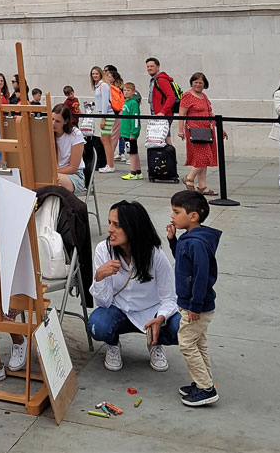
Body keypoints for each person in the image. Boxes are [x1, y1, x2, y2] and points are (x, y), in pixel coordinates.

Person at [88, 199, 180, 373]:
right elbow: (103, 304)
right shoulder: (103, 249)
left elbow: (169, 297)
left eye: (117, 225)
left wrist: (161, 317)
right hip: (119, 311)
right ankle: (113, 344)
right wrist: (99, 277)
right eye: (109, 223)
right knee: (97, 325)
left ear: (132, 228)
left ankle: (155, 342)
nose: (109, 230)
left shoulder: (155, 255)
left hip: (150, 312)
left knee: (180, 328)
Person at [167, 190, 222, 406]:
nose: (172, 216)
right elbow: (183, 262)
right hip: (192, 303)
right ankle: (202, 382)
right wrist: (172, 241)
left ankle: (206, 389)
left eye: (176, 211)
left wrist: (195, 305)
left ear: (193, 216)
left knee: (187, 343)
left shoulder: (197, 243)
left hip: (196, 305)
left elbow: (200, 276)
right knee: (198, 343)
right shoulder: (188, 239)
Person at [178, 72, 227, 196]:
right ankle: (189, 178)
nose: (198, 85)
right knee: (204, 157)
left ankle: (202, 186)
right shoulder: (187, 96)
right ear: (192, 83)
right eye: (195, 82)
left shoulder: (204, 96)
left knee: (203, 159)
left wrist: (220, 128)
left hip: (207, 131)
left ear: (204, 84)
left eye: (200, 82)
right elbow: (182, 114)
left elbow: (210, 114)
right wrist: (180, 130)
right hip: (194, 131)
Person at [52, 103, 86, 193]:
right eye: (52, 119)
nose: (53, 123)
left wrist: (53, 172)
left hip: (74, 175)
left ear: (66, 121)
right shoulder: (48, 132)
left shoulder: (75, 134)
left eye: (57, 121)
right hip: (55, 173)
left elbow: (73, 168)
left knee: (52, 180)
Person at [89, 65, 115, 173]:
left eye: (96, 73)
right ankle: (110, 164)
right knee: (107, 139)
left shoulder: (103, 85)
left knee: (105, 140)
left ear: (100, 74)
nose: (95, 75)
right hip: (104, 114)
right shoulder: (98, 85)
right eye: (93, 74)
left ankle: (110, 165)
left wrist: (103, 118)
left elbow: (105, 102)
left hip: (107, 114)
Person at [146, 56, 176, 146]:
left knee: (165, 140)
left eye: (152, 66)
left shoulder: (161, 80)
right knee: (162, 140)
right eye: (148, 67)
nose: (149, 68)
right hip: (158, 115)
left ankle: (171, 159)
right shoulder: (154, 80)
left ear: (158, 67)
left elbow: (171, 97)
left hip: (163, 116)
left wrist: (163, 112)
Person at [119, 83, 142, 180]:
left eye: (128, 90)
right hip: (126, 132)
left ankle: (133, 172)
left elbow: (135, 119)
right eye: (124, 90)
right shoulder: (126, 102)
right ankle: (138, 172)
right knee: (133, 152)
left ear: (133, 92)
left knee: (132, 152)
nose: (126, 92)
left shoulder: (133, 103)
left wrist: (133, 132)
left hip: (131, 133)